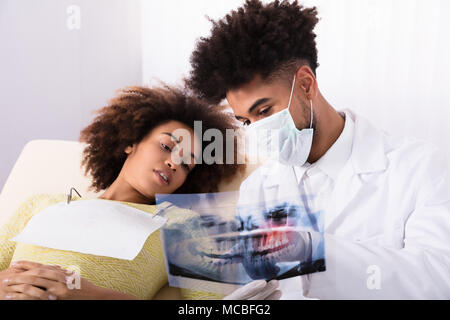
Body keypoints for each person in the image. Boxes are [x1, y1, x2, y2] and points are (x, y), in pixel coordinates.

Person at [186, 0, 450, 299]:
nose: (257, 129)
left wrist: (314, 250)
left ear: (306, 85)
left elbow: (439, 278)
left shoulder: (420, 168)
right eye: (246, 121)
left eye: (264, 110)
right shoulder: (257, 190)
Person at [0, 85, 280, 300]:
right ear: (130, 142)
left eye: (186, 164)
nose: (174, 163)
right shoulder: (42, 203)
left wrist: (93, 295)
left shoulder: (181, 224)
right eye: (167, 147)